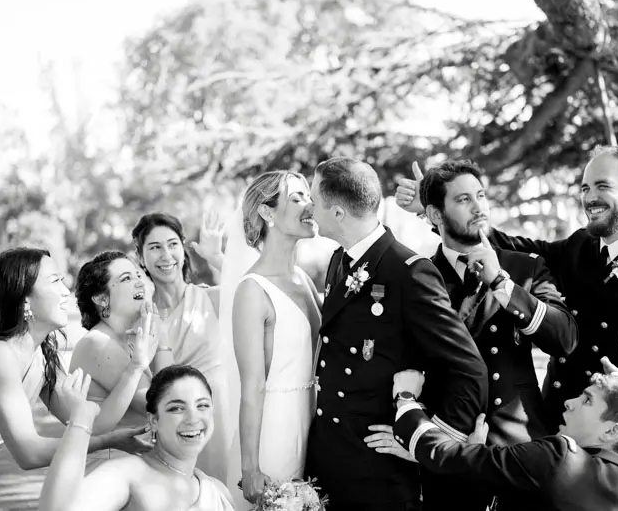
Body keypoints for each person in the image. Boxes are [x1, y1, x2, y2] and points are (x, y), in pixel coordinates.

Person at [395, 146, 618, 509]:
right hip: (554, 431)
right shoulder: (578, 246)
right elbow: (500, 246)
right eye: (584, 189)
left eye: (602, 186)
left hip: (617, 447)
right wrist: (432, 207)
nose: (590, 198)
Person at [372, 160, 579, 510]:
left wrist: (502, 284)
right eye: (464, 199)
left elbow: (565, 339)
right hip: (449, 450)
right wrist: (420, 436)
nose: (478, 207)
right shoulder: (418, 276)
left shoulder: (523, 267)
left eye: (480, 196)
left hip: (520, 446)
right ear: (434, 215)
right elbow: (406, 364)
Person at [305, 157, 488, 511]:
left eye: (314, 199)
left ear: (338, 213)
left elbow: (469, 369)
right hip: (331, 458)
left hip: (379, 473)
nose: (310, 208)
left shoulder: (409, 272)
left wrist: (430, 442)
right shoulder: (338, 261)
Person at [0, 248, 147, 511]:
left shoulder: (40, 357)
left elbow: (96, 423)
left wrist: (136, 367)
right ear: (24, 298)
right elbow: (29, 453)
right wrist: (111, 441)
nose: (66, 291)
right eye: (55, 281)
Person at [390, 369, 618, 511]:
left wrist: (405, 401)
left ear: (612, 432)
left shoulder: (561, 457)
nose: (569, 402)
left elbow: (448, 456)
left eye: (587, 400)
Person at [226, 171, 322, 506]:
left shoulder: (305, 281)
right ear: (267, 213)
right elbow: (251, 386)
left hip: (315, 424)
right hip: (276, 431)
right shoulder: (252, 291)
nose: (310, 205)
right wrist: (250, 466)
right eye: (297, 198)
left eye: (309, 196)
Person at [39, 363, 235, 511]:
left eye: (202, 405)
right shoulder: (128, 474)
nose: (193, 418)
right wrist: (81, 418)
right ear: (153, 421)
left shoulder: (217, 492)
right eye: (177, 408)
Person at [132, 212, 234, 483]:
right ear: (141, 258)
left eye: (172, 244)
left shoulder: (211, 298)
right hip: (172, 419)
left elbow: (254, 289)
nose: (166, 255)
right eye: (154, 247)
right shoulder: (141, 316)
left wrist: (216, 256)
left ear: (183, 248)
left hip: (219, 412)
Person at [70, 250, 171, 466]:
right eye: (126, 278)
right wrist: (162, 339)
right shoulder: (99, 343)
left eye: (137, 275)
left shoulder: (129, 339)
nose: (140, 282)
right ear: (101, 298)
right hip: (109, 471)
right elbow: (161, 405)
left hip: (131, 465)